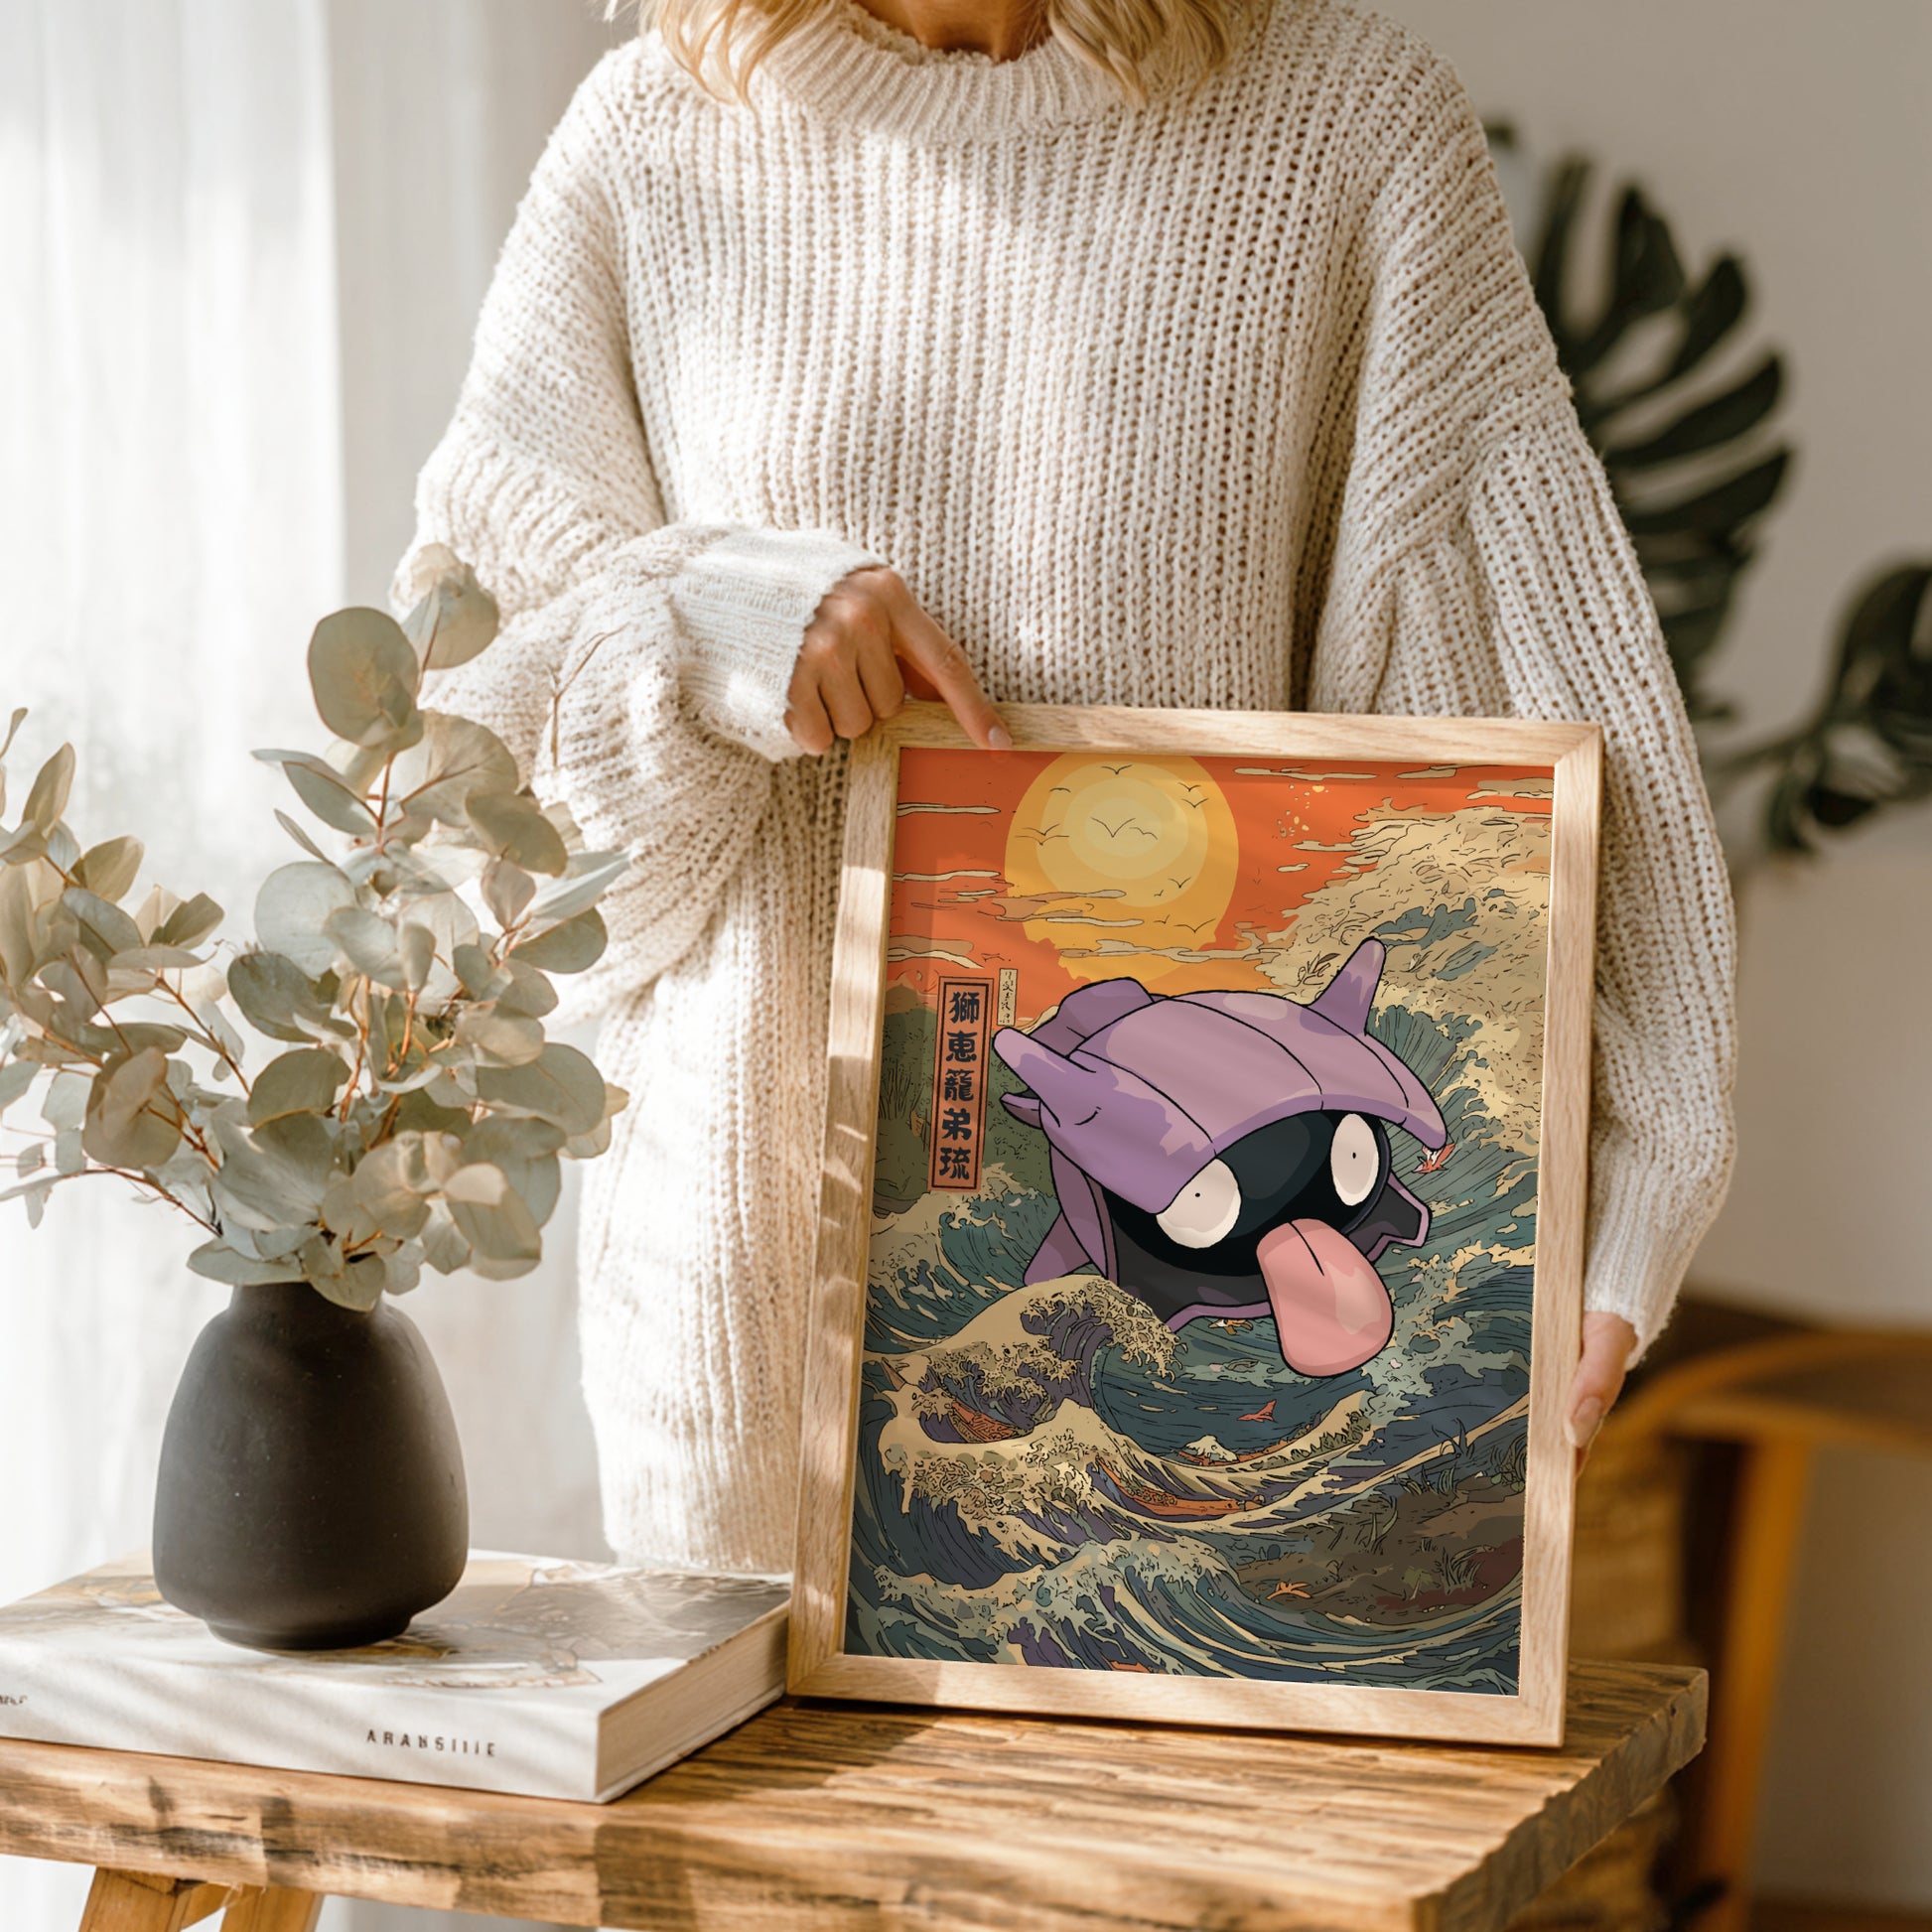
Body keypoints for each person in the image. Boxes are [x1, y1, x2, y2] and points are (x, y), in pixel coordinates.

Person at [394, 0, 1735, 1577]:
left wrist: (1631, 1172)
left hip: (1211, 1396)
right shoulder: (649, 140)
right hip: (736, 1341)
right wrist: (706, 620)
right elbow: (465, 822)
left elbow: (1522, 696)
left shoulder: (1343, 127)